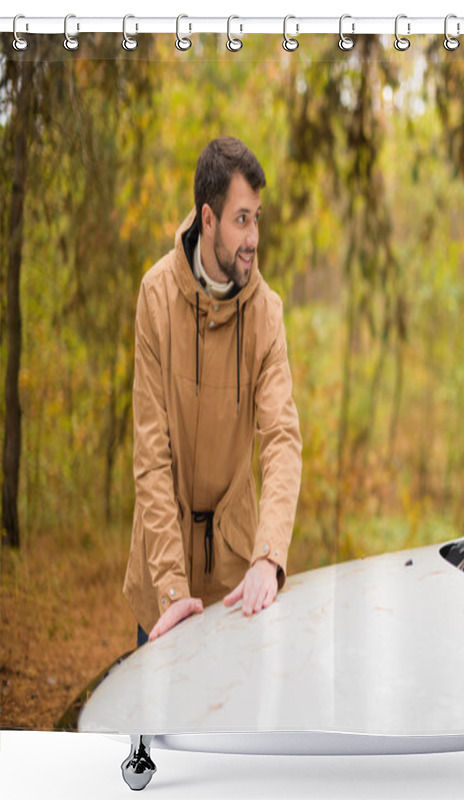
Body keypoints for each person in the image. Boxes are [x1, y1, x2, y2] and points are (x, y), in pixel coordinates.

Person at [123, 137, 302, 645]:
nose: (253, 237)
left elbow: (283, 441)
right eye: (241, 219)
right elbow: (151, 455)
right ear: (208, 220)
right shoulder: (155, 298)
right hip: (162, 572)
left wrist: (268, 557)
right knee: (158, 722)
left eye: (257, 218)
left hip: (235, 580)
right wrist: (173, 591)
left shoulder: (267, 314)